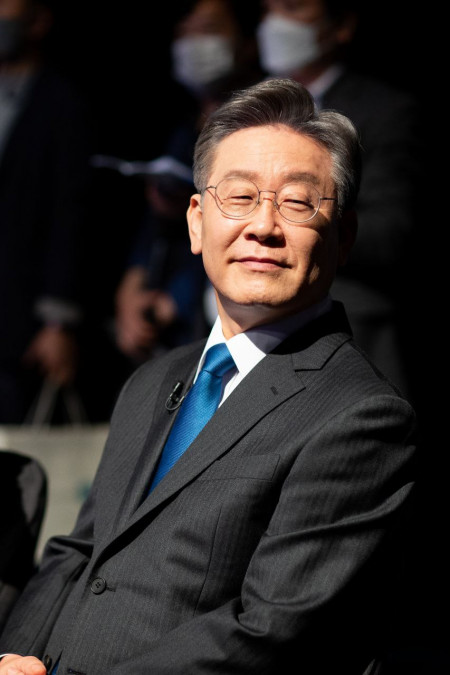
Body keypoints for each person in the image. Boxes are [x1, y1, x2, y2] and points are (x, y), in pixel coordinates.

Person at [0, 78, 418, 674]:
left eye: (297, 202)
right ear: (196, 222)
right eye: (240, 197)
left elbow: (271, 631)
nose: (263, 226)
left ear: (343, 236)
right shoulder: (153, 381)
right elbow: (80, 552)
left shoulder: (361, 416)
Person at [255, 0, 425, 412]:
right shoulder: (247, 107)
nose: (275, 23)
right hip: (239, 327)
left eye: (292, 7)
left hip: (340, 329)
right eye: (267, 9)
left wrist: (301, 217)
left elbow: (390, 234)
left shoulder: (383, 111)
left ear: (342, 25)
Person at [0, 0, 94, 423]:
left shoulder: (62, 103)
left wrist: (58, 322)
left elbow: (70, 213)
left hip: (19, 322)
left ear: (38, 20)